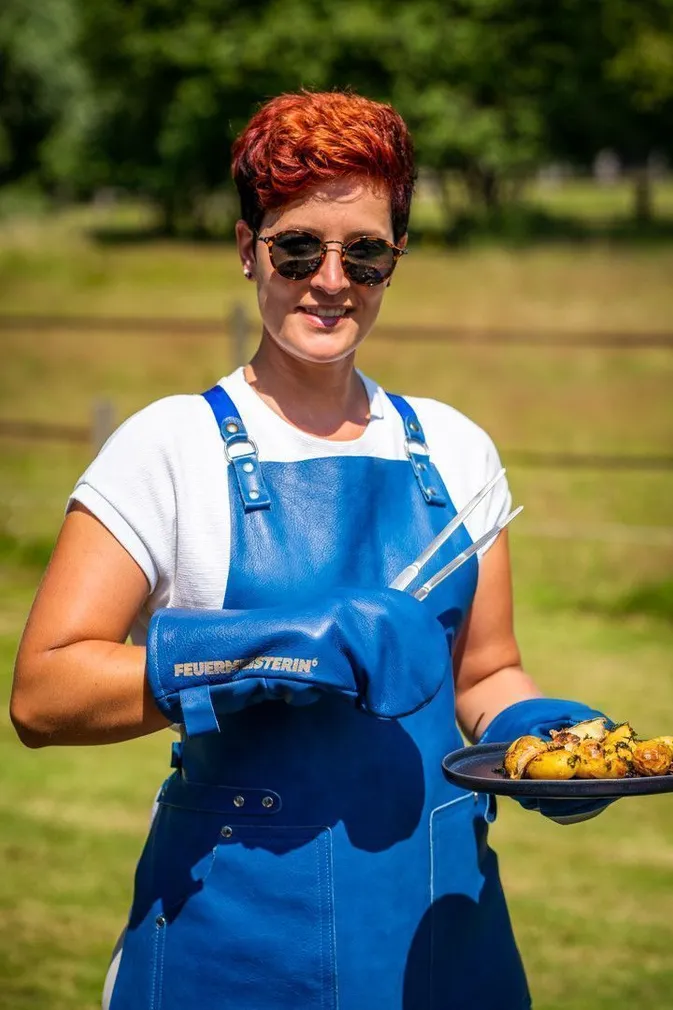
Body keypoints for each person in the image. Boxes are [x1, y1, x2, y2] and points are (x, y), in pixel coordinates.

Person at [10, 90, 611, 1010]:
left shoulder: (456, 450)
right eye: (298, 248)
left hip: (440, 934)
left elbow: (485, 673)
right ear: (248, 246)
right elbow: (44, 694)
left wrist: (542, 739)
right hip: (238, 942)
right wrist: (262, 648)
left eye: (364, 253)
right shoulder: (169, 446)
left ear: (393, 260)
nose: (331, 279)